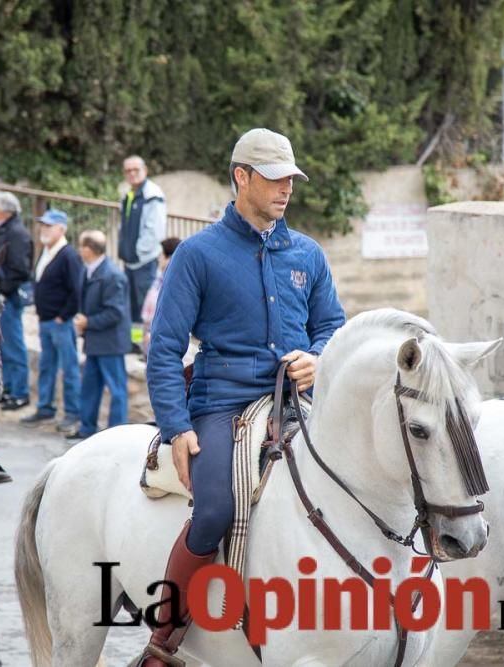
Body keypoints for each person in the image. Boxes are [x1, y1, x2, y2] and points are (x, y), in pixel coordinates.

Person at [139, 128, 346, 665]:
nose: (286, 190)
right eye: (275, 179)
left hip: (297, 401)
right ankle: (164, 642)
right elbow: (163, 349)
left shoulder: (308, 253)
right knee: (213, 512)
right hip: (222, 402)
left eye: (290, 180)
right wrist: (178, 428)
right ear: (241, 177)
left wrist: (319, 356)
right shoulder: (197, 254)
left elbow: (332, 326)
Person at [20, 209, 83, 433]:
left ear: (61, 229)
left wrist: (63, 316)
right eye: (42, 225)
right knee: (47, 367)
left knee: (69, 369)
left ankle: (73, 413)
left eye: (48, 226)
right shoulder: (46, 251)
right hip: (46, 320)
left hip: (60, 322)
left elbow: (77, 291)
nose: (43, 229)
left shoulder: (68, 255)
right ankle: (45, 408)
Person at [65, 230, 131, 442]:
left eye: (81, 246)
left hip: (110, 342)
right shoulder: (89, 271)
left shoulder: (112, 275)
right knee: (90, 387)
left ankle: (116, 434)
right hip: (95, 340)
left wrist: (88, 322)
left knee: (117, 389)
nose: (79, 250)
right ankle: (87, 428)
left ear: (88, 249)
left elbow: (115, 312)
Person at [0, 191, 34, 411]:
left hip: (9, 297)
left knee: (14, 346)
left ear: (2, 211)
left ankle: (20, 392)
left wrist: (3, 288)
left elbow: (20, 269)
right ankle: (9, 389)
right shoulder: (3, 230)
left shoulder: (17, 233)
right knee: (3, 346)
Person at [119, 155, 167, 352]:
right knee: (131, 305)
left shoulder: (152, 195)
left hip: (143, 262)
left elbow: (154, 230)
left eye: (135, 170)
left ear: (145, 170)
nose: (132, 174)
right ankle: (135, 343)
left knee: (146, 307)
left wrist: (138, 254)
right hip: (130, 262)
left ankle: (150, 348)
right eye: (128, 171)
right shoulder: (129, 194)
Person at [140, 236, 181, 354]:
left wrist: (153, 334)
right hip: (149, 332)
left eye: (161, 255)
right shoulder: (159, 278)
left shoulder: (173, 282)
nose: (158, 258)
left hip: (159, 337)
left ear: (169, 258)